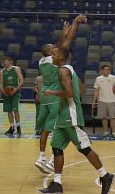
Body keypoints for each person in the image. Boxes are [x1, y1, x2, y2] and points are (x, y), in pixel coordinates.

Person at [38, 45, 113, 194]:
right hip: (61, 115)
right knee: (56, 148)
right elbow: (82, 89)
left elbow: (70, 92)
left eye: (55, 52)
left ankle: (105, 176)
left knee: (84, 148)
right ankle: (57, 184)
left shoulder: (63, 70)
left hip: (70, 116)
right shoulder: (69, 70)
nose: (52, 54)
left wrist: (52, 92)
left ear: (62, 57)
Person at [35, 15, 86, 174]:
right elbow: (66, 42)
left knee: (45, 129)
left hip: (44, 98)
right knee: (59, 128)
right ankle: (51, 160)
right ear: (51, 52)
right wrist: (73, 25)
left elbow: (62, 42)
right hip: (55, 98)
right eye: (53, 49)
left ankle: (42, 157)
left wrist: (64, 34)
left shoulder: (41, 62)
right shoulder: (53, 60)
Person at [92, 64, 115, 139]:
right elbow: (96, 90)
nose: (107, 71)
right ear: (102, 70)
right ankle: (105, 132)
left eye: (108, 69)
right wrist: (94, 101)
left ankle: (114, 132)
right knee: (104, 117)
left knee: (113, 117)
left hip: (111, 100)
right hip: (101, 100)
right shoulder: (98, 79)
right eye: (105, 69)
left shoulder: (113, 78)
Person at [0, 55, 24, 136]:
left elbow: (21, 81)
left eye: (6, 61)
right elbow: (1, 84)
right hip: (7, 93)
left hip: (15, 93)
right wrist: (4, 92)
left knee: (15, 110)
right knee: (9, 111)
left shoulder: (16, 69)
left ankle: (18, 127)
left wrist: (15, 90)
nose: (4, 63)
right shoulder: (2, 71)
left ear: (10, 61)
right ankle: (11, 127)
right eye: (4, 61)